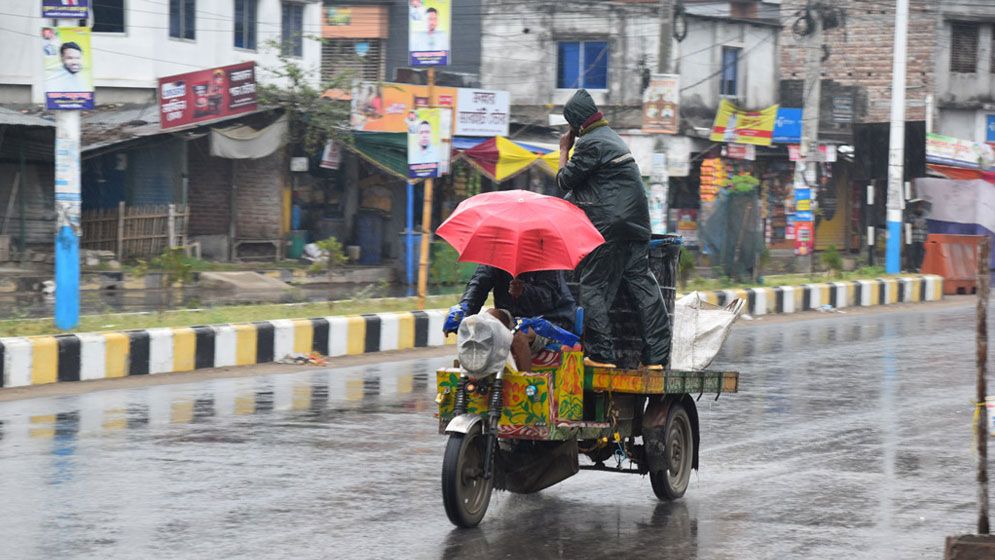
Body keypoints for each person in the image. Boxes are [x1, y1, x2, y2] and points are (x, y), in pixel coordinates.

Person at [556, 88, 671, 370]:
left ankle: (602, 354)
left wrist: (563, 149)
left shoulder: (589, 144)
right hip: (637, 223)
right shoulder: (613, 139)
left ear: (577, 123)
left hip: (609, 226)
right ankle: (656, 357)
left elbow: (564, 182)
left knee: (593, 285)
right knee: (641, 283)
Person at [444, 266, 577, 372]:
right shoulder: (498, 255)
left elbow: (550, 297)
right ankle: (476, 376)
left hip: (550, 321)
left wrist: (524, 291)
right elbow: (479, 284)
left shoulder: (547, 260)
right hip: (515, 317)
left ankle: (526, 387)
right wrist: (462, 311)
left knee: (519, 334)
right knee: (488, 318)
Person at [910, 207, 929, 272]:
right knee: (913, 253)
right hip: (913, 239)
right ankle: (912, 267)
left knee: (920, 254)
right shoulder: (912, 217)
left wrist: (926, 238)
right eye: (918, 208)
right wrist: (915, 224)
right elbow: (910, 226)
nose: (920, 209)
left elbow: (926, 229)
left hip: (921, 239)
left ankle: (918, 267)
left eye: (921, 208)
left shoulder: (924, 219)